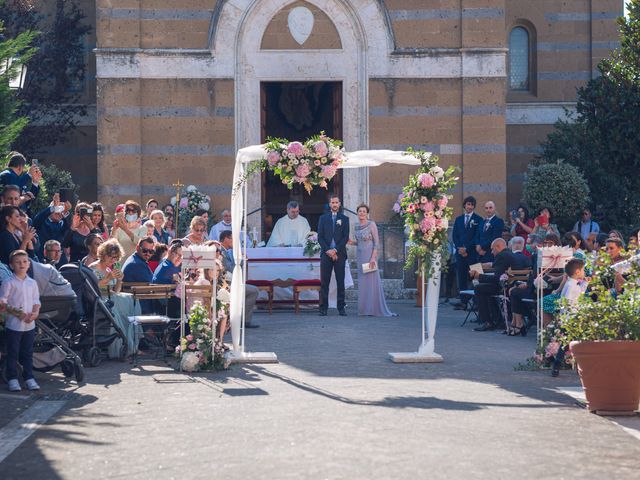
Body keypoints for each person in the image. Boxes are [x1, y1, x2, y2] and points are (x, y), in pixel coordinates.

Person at [0, 250, 41, 391]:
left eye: (24, 261)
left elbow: (36, 300)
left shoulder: (32, 283)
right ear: (11, 265)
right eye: (17, 262)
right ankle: (12, 378)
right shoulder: (9, 282)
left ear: (29, 264)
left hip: (30, 325)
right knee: (13, 352)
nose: (21, 264)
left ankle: (29, 377)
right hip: (14, 325)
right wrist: (19, 314)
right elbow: (2, 303)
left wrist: (35, 312)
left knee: (28, 352)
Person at [470, 238, 528, 332]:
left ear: (498, 247)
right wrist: (491, 266)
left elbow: (497, 278)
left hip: (506, 287)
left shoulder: (501, 256)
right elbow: (499, 273)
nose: (492, 252)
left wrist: (478, 276)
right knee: (486, 288)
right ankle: (497, 320)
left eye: (493, 249)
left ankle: (487, 321)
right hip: (512, 284)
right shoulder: (508, 254)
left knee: (479, 288)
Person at [352, 204, 395, 316]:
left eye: (364, 211)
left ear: (367, 213)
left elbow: (376, 243)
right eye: (360, 211)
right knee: (363, 283)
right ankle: (364, 309)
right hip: (360, 256)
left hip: (369, 256)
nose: (361, 213)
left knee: (371, 282)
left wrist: (372, 258)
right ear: (357, 213)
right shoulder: (356, 226)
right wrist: (352, 243)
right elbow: (360, 241)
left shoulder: (372, 224)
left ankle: (372, 309)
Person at [551, 258, 587, 377]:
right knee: (570, 343)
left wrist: (585, 283)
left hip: (569, 317)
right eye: (583, 270)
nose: (584, 272)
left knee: (568, 343)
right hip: (570, 318)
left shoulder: (572, 283)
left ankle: (561, 365)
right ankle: (559, 365)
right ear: (577, 271)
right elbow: (568, 301)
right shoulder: (571, 285)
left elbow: (579, 294)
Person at [218, 231, 260, 328]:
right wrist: (241, 261)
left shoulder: (225, 251)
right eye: (233, 239)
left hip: (230, 282)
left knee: (252, 290)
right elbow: (231, 269)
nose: (235, 242)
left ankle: (241, 319)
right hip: (226, 285)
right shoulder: (221, 252)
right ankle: (244, 321)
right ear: (226, 239)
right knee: (253, 291)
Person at [317, 194, 349, 316]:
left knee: (340, 281)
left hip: (339, 253)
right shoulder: (323, 218)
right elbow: (320, 237)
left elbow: (345, 237)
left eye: (336, 202)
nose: (335, 204)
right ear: (330, 204)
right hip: (326, 254)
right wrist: (328, 250)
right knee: (325, 282)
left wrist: (335, 250)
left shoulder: (345, 219)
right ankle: (323, 307)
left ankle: (341, 307)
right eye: (332, 202)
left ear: (339, 204)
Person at [452, 196, 482, 306]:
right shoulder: (458, 219)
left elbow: (477, 237)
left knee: (476, 276)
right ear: (464, 205)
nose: (470, 206)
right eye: (468, 204)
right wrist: (460, 248)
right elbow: (455, 236)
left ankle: (477, 302)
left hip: (473, 253)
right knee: (462, 276)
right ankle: (463, 301)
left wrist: (467, 249)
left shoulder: (478, 219)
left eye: (472, 205)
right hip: (460, 254)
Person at [31, 193, 70, 263]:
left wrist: (66, 211)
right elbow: (39, 218)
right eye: (57, 210)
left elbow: (68, 228)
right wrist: (54, 207)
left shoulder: (63, 224)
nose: (59, 213)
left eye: (61, 210)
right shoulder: (41, 222)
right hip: (43, 260)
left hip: (60, 261)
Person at [122, 237, 156, 313]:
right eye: (145, 250)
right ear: (137, 248)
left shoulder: (134, 259)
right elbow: (153, 285)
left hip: (137, 303)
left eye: (151, 251)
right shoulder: (137, 264)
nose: (148, 254)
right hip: (138, 307)